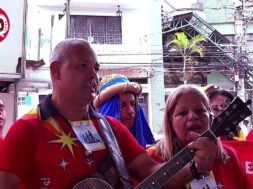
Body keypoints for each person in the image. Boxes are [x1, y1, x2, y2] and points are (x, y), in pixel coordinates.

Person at [0, 39, 217, 189]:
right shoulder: (27, 129)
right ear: (56, 70)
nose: (93, 75)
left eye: (96, 67)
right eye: (83, 66)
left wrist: (196, 166)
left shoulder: (111, 129)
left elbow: (152, 170)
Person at [147, 84, 250, 189]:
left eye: (200, 111)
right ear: (170, 122)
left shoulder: (230, 156)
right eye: (182, 113)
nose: (192, 116)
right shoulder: (152, 158)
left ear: (210, 117)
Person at [93, 74, 155, 148]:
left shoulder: (150, 150)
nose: (131, 111)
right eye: (122, 105)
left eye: (133, 104)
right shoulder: (95, 146)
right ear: (108, 109)